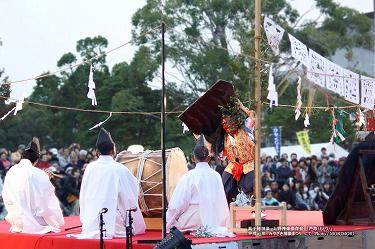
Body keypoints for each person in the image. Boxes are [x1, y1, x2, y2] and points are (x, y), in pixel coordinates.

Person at [78, 128, 145, 239]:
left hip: (90, 224)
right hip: (114, 226)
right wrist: (137, 225)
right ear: (114, 151)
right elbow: (129, 198)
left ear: (97, 152)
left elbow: (83, 196)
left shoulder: (89, 168)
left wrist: (85, 220)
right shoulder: (120, 169)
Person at [166, 135, 230, 233]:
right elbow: (222, 201)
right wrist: (224, 223)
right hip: (215, 219)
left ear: (193, 158)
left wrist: (169, 223)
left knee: (177, 225)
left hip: (195, 220)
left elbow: (177, 204)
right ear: (209, 158)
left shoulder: (189, 176)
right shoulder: (216, 175)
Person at [2, 137, 64, 233]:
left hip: (15, 220)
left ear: (22, 157)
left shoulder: (11, 170)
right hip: (34, 221)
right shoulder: (37, 173)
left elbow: (6, 195)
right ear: (36, 161)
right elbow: (44, 198)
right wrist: (46, 179)